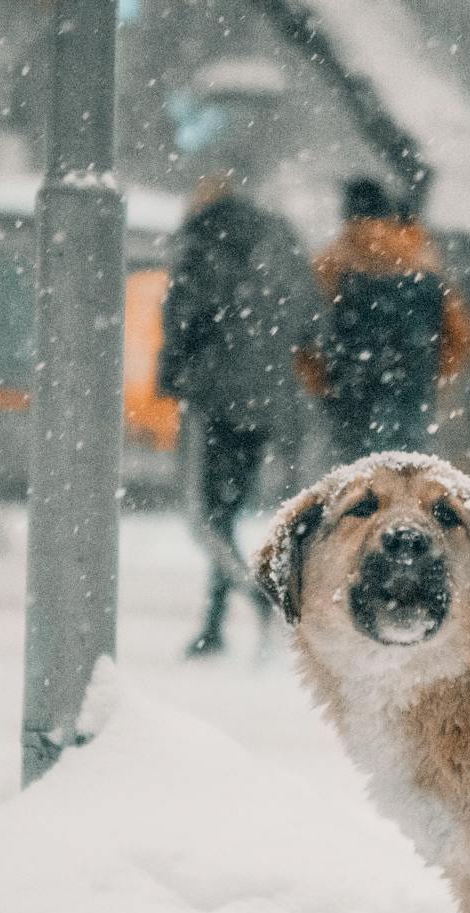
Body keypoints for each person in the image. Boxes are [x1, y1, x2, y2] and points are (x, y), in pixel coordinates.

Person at [158, 177, 322, 658]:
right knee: (226, 512)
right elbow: (313, 320)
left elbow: (182, 318)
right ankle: (214, 622)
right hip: (269, 401)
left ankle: (250, 599)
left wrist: (175, 376)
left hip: (212, 396)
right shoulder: (282, 246)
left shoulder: (207, 246)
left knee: (203, 518)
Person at [298, 178, 470, 461]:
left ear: (347, 215)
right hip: (413, 389)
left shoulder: (330, 266)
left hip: (350, 393)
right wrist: (432, 373)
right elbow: (460, 337)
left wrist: (323, 382)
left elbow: (306, 335)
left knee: (360, 484)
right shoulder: (424, 262)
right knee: (409, 475)